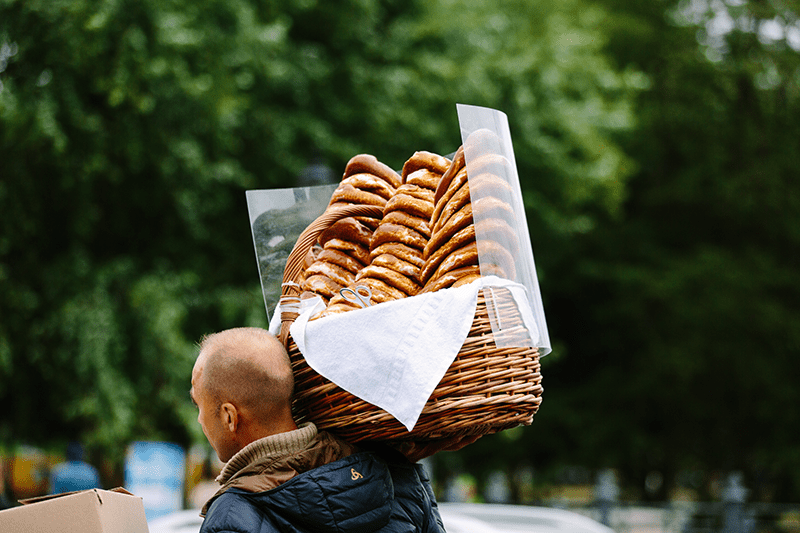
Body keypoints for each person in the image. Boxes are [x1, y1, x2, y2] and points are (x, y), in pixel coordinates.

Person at [190, 326, 453, 533]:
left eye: (198, 404)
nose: (200, 419)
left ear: (229, 417)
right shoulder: (399, 477)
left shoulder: (231, 516)